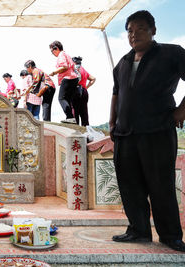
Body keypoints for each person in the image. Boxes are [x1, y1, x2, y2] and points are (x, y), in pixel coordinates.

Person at [109, 10, 185, 251]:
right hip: (125, 134)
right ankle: (138, 230)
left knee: (160, 185)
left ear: (153, 30)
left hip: (157, 130)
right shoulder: (122, 62)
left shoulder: (172, 53)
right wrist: (112, 124)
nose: (134, 34)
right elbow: (116, 94)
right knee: (130, 186)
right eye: (130, 30)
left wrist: (182, 110)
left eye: (141, 28)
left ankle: (171, 236)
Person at [49, 41, 79, 124]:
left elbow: (64, 67)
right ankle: (70, 118)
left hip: (67, 78)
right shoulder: (66, 54)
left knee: (61, 98)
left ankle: (70, 117)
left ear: (56, 48)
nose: (52, 53)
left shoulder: (61, 55)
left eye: (52, 51)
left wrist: (54, 72)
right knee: (67, 99)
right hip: (74, 78)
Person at [71, 56, 96, 126]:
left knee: (75, 112)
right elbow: (93, 79)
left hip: (75, 91)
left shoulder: (73, 69)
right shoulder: (83, 70)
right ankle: (87, 131)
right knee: (84, 112)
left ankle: (76, 132)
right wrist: (86, 87)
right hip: (84, 91)